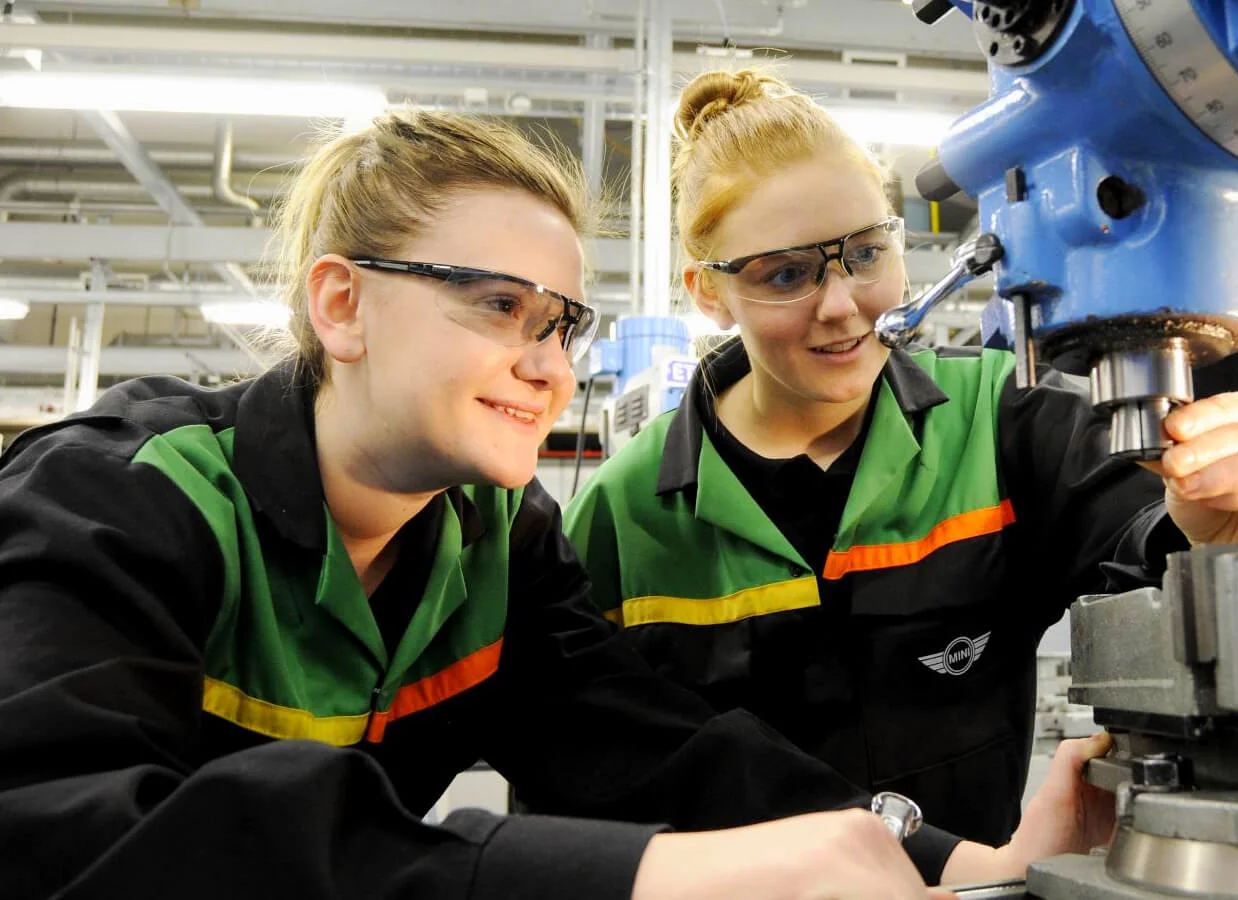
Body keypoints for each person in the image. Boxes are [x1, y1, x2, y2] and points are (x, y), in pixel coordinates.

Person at [0, 109, 1097, 900]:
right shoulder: (116, 503)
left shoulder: (496, 550)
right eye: (497, 307)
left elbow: (672, 752)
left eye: (561, 324)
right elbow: (61, 835)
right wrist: (650, 876)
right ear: (343, 304)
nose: (550, 367)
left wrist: (958, 863)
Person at [563, 69, 1238, 848]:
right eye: (786, 274)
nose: (842, 304)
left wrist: (1230, 536)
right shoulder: (625, 511)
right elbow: (581, 793)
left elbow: (1171, 583)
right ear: (708, 292)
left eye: (864, 253)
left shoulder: (1003, 425)